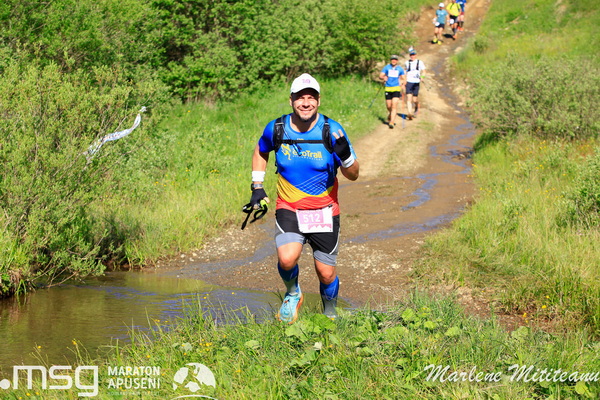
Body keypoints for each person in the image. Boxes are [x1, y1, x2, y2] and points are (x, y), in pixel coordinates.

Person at [248, 73, 360, 323]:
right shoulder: (277, 128)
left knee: (326, 273)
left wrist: (346, 157)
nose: (306, 103)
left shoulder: (332, 130)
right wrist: (257, 186)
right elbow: (260, 150)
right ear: (291, 101)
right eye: (300, 98)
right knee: (287, 259)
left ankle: (329, 313)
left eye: (311, 98)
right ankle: (293, 294)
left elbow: (353, 175)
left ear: (318, 101)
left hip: (324, 211)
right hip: (290, 207)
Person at [379, 55, 406, 128]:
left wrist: (403, 83)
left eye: (395, 59)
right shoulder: (386, 67)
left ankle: (392, 122)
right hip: (388, 88)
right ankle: (390, 114)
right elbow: (380, 76)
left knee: (394, 105)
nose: (394, 61)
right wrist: (383, 77)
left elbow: (404, 78)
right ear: (390, 60)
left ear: (397, 61)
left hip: (396, 89)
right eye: (392, 59)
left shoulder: (399, 69)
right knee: (388, 105)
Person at [404, 49, 426, 120]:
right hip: (409, 82)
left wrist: (422, 77)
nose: (412, 56)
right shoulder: (407, 63)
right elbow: (405, 72)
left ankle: (417, 106)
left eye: (413, 55)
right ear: (409, 55)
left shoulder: (420, 62)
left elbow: (424, 71)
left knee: (414, 99)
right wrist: (404, 80)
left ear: (416, 55)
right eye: (411, 55)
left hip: (416, 82)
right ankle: (409, 113)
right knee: (409, 98)